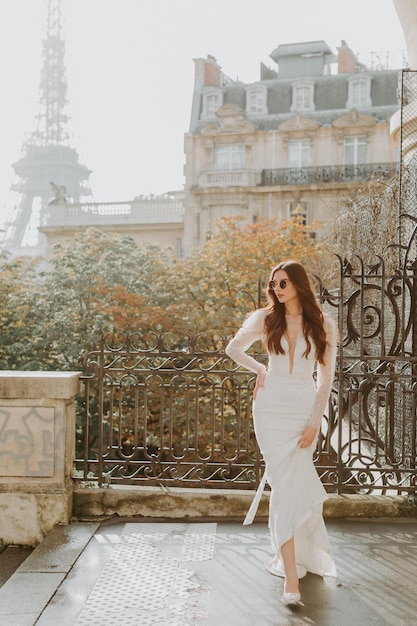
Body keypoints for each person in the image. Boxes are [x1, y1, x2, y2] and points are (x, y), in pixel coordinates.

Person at [225, 260, 337, 606]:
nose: (277, 289)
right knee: (283, 482)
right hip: (270, 406)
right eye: (274, 284)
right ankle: (291, 574)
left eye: (283, 283)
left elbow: (326, 379)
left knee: (294, 483)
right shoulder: (265, 318)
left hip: (302, 405)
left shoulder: (323, 324)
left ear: (299, 284)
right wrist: (260, 369)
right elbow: (232, 348)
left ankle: (298, 557)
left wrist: (315, 421)